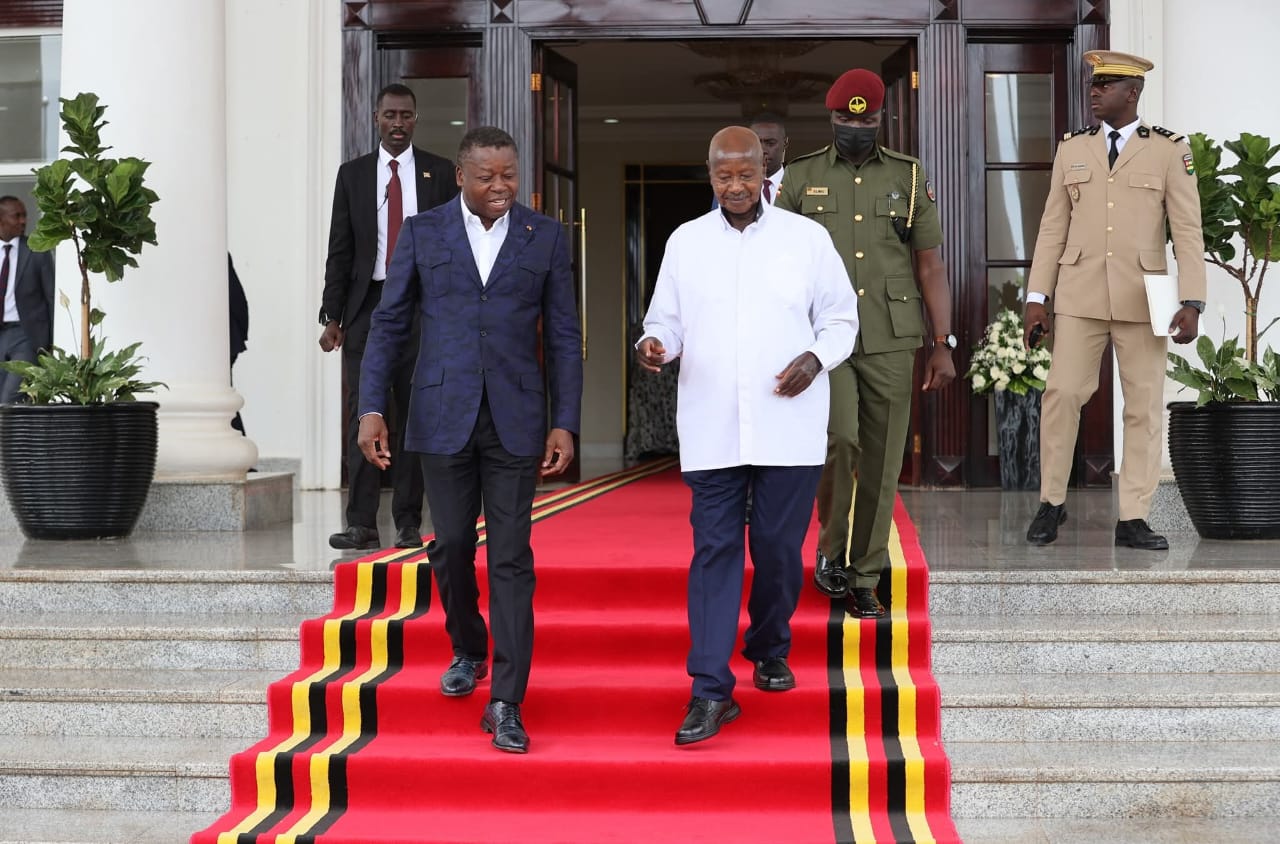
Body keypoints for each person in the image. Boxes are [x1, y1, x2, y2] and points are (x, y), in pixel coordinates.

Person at [357, 126, 582, 754]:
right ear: (461, 176)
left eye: (509, 174)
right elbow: (389, 323)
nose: (501, 186)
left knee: (511, 556)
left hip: (515, 418)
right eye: (487, 176)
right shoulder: (423, 233)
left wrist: (564, 419)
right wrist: (371, 408)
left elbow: (564, 334)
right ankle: (468, 646)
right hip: (441, 413)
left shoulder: (545, 236)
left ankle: (507, 700)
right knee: (452, 544)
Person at [637, 126, 858, 746]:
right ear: (709, 174)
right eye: (723, 175)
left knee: (779, 549)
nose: (735, 186)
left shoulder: (806, 239)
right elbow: (665, 321)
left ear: (766, 172)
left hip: (788, 425)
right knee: (714, 551)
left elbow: (841, 318)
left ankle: (768, 644)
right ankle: (710, 689)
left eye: (746, 174)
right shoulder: (686, 242)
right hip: (711, 426)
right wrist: (655, 345)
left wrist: (816, 358)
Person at [775, 69, 956, 618]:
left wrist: (943, 342)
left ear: (881, 119)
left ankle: (865, 575)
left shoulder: (909, 176)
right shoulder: (800, 176)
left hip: (891, 335)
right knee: (841, 439)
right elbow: (777, 264)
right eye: (845, 118)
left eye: (867, 119)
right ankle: (831, 551)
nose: (855, 127)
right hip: (823, 338)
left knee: (883, 456)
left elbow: (930, 265)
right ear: (831, 117)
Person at [1023, 50, 1204, 550]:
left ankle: (1133, 517)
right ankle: (1051, 503)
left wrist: (1192, 301)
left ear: (1133, 92)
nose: (1095, 91)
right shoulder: (1072, 148)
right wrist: (1037, 296)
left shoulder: (1169, 150)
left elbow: (1187, 230)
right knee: (1061, 394)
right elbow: (1052, 226)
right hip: (1079, 293)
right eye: (1094, 84)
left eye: (1107, 84)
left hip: (1144, 298)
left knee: (1143, 406)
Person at [319, 83, 458, 551]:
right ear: (376, 119)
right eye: (390, 115)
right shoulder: (353, 175)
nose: (398, 123)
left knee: (415, 411)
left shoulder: (440, 173)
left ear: (416, 120)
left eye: (406, 115)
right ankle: (361, 522)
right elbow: (340, 248)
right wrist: (332, 314)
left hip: (423, 305)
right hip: (369, 307)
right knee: (365, 409)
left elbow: (452, 245)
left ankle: (408, 522)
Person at [0, 196, 54, 404]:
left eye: (24, 216)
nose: (23, 221)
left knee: (10, 399)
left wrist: (50, 344)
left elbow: (50, 297)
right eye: (17, 216)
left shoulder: (37, 250)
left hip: (26, 335)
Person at [228, 254, 249, 435]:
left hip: (222, 342)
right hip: (229, 340)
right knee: (225, 399)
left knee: (224, 401)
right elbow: (239, 301)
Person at [751, 112, 789, 205]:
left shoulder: (798, 185)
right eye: (756, 143)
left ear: (785, 143)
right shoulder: (736, 187)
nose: (763, 150)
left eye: (770, 143)